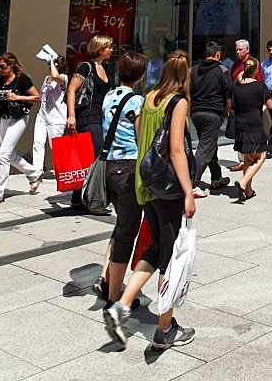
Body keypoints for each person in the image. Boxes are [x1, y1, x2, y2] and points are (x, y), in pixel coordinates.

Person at [104, 51, 196, 350]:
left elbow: (142, 135)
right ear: (185, 76)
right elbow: (176, 150)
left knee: (156, 248)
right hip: (168, 188)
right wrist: (188, 192)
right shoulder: (177, 102)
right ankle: (165, 329)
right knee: (171, 260)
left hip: (146, 184)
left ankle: (122, 304)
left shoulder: (150, 97)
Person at [93, 50, 147, 309]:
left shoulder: (109, 95)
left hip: (109, 166)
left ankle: (106, 277)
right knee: (127, 232)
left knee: (121, 226)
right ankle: (114, 298)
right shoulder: (137, 101)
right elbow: (140, 137)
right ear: (140, 75)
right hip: (128, 168)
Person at [65, 34, 113, 211]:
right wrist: (71, 116)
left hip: (99, 117)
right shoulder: (86, 67)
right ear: (100, 49)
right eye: (108, 47)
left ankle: (77, 199)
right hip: (87, 117)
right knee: (99, 157)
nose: (111, 50)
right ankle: (94, 200)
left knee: (85, 159)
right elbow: (71, 90)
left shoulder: (104, 67)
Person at [0, 53, 42, 204]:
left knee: (3, 155)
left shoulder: (22, 79)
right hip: (4, 119)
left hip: (19, 119)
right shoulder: (1, 81)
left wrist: (17, 97)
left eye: (2, 66)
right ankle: (35, 174)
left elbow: (37, 97)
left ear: (11, 65)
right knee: (9, 155)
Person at [190, 43, 231, 197]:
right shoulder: (222, 70)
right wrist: (228, 111)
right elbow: (228, 92)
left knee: (209, 145)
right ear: (218, 54)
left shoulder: (194, 70)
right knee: (205, 148)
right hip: (212, 113)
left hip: (196, 112)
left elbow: (190, 89)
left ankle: (216, 177)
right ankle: (193, 183)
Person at [229, 57, 272, 201]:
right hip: (254, 124)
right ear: (256, 71)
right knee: (261, 155)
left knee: (248, 157)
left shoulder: (236, 85)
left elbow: (230, 105)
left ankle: (248, 191)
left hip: (240, 125)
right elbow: (270, 105)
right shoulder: (260, 86)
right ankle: (243, 182)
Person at [229, 39, 263, 172]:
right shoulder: (235, 65)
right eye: (236, 49)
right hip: (238, 105)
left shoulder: (253, 64)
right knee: (240, 133)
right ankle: (242, 160)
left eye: (240, 49)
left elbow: (259, 83)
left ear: (247, 50)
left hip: (252, 105)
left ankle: (251, 156)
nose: (237, 52)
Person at [32, 54, 68, 176]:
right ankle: (36, 173)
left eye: (53, 64)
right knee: (37, 144)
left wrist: (52, 61)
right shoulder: (47, 78)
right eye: (49, 64)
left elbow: (55, 76)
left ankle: (62, 173)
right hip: (42, 115)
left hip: (57, 118)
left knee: (56, 148)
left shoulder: (63, 78)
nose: (50, 66)